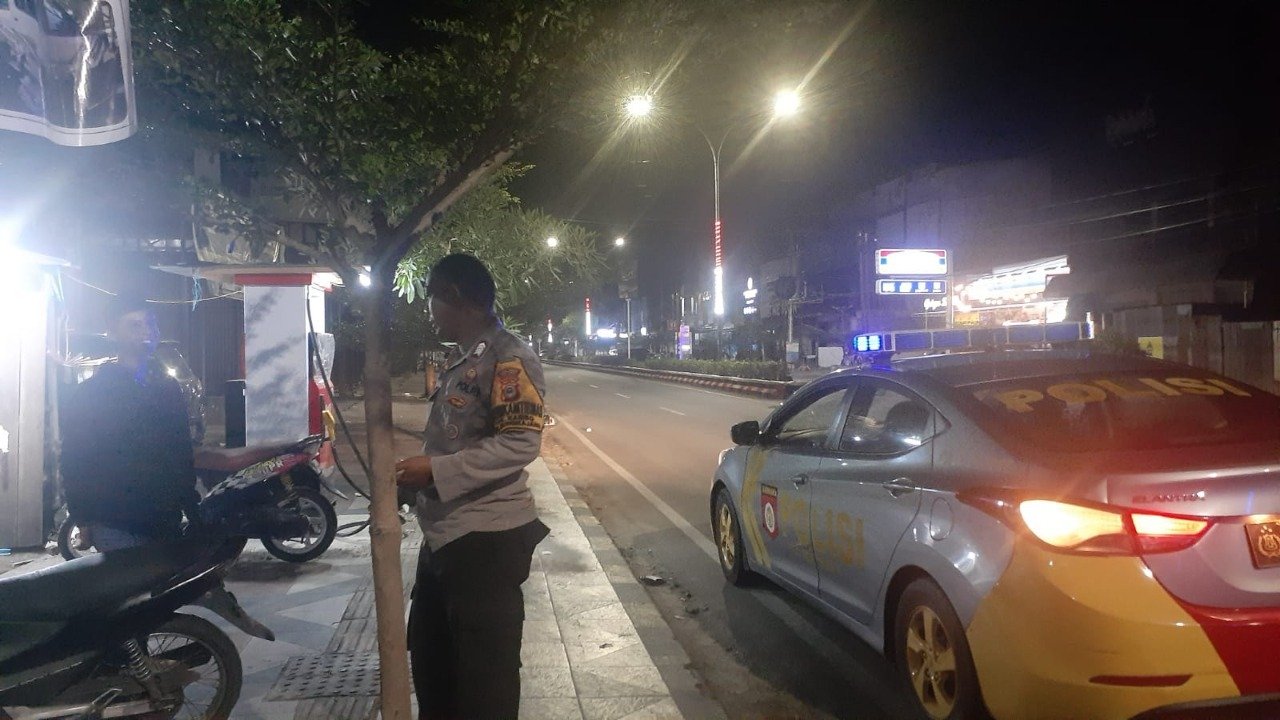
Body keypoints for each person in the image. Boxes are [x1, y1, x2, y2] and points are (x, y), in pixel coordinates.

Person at [396, 253, 551, 720]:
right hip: (446, 536)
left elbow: (521, 443)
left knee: (484, 685)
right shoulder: (465, 356)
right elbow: (452, 439)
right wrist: (415, 484)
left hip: (485, 541)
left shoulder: (508, 357)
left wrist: (435, 472)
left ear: (454, 296)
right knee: (433, 665)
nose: (428, 310)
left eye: (431, 298)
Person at [61, 295, 201, 552]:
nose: (146, 331)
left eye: (151, 323)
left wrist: (191, 506)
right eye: (135, 325)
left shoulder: (167, 388)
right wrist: (82, 517)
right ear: (113, 333)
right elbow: (76, 458)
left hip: (164, 519)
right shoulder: (93, 393)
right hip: (115, 524)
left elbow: (181, 452)